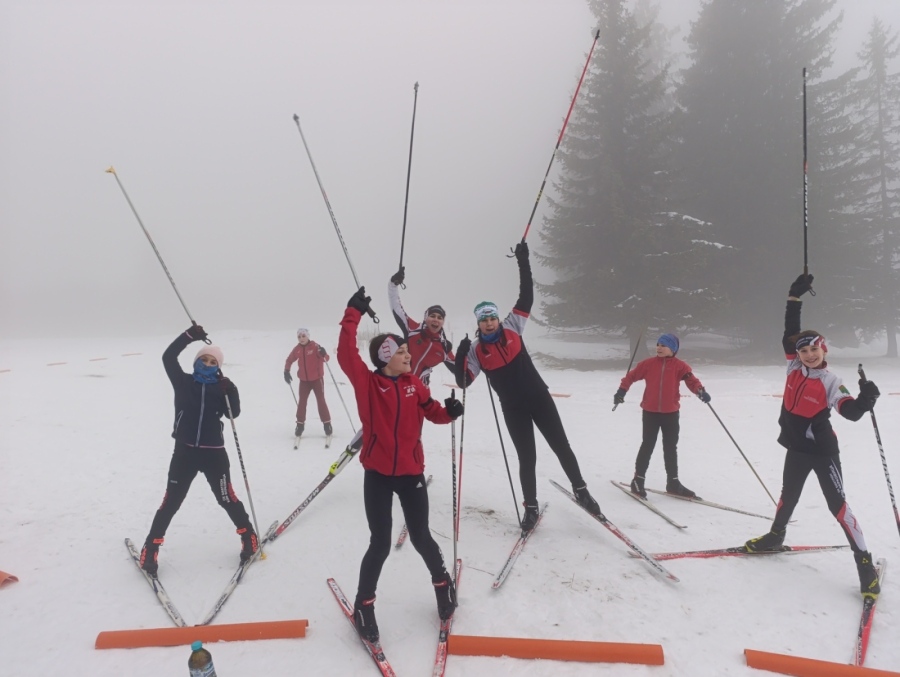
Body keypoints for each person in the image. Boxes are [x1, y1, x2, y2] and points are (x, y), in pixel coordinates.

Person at [742, 273, 881, 598]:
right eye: (804, 351)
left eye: (814, 350)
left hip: (822, 452)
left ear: (824, 350)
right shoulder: (793, 367)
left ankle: (866, 567)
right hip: (796, 448)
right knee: (787, 496)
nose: (809, 355)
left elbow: (849, 410)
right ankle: (776, 536)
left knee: (839, 507)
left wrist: (865, 400)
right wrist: (794, 296)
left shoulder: (832, 380)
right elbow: (791, 330)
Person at [337, 287, 463, 643]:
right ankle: (364, 604)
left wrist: (449, 413)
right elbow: (346, 354)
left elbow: (433, 412)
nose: (410, 356)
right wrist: (352, 313)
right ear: (385, 357)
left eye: (408, 351)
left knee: (421, 535)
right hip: (376, 474)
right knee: (379, 542)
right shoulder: (368, 384)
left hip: (411, 474)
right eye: (403, 352)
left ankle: (443, 585)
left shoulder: (413, 386)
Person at [454, 241, 601, 533]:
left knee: (562, 446)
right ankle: (530, 508)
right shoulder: (475, 351)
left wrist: (523, 261)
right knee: (527, 458)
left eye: (492, 317)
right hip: (513, 409)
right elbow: (463, 382)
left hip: (539, 398)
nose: (490, 323)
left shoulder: (512, 326)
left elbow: (527, 295)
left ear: (498, 318)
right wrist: (459, 355)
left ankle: (582, 491)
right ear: (478, 324)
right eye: (484, 320)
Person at [139, 325, 257, 575]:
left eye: (212, 361)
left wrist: (231, 391)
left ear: (219, 365)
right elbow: (168, 357)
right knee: (171, 502)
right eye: (203, 359)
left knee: (227, 498)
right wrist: (189, 337)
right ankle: (151, 547)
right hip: (184, 453)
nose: (207, 363)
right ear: (196, 361)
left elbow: (232, 413)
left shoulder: (222, 386)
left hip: (214, 453)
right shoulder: (183, 382)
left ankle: (248, 536)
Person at [614, 333, 710, 499]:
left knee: (670, 447)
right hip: (650, 412)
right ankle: (638, 481)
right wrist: (621, 391)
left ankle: (673, 482)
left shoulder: (681, 367)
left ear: (672, 348)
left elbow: (691, 381)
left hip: (671, 413)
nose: (658, 347)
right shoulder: (648, 364)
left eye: (663, 345)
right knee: (648, 445)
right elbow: (631, 376)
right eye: (657, 344)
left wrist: (700, 392)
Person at [387, 266, 456, 386]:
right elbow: (397, 309)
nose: (436, 320)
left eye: (440, 318)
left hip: (419, 390)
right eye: (432, 316)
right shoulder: (413, 329)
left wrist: (464, 353)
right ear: (425, 318)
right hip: (398, 384)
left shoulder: (443, 346)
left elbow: (461, 370)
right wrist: (393, 285)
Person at [283, 328, 333, 440]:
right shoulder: (297, 349)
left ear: (308, 336)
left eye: (303, 336)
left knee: (321, 401)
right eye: (299, 337)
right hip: (304, 381)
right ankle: (300, 425)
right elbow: (289, 360)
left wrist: (323, 353)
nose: (301, 338)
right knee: (302, 402)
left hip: (317, 380)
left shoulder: (315, 347)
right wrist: (286, 371)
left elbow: (326, 358)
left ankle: (327, 424)